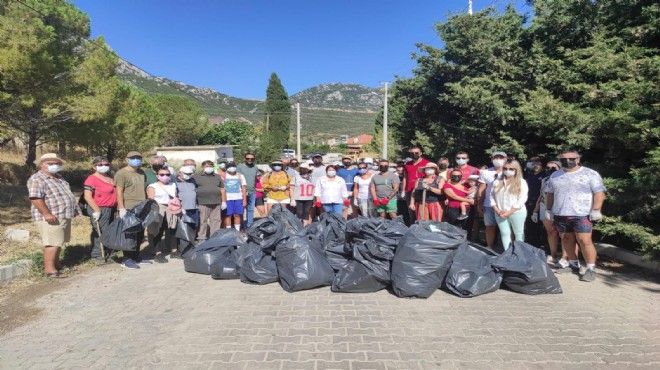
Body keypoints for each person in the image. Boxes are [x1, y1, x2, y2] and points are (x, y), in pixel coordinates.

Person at [545, 149, 606, 282]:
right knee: (566, 239)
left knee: (584, 241)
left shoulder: (589, 174)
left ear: (578, 159)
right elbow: (550, 193)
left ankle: (590, 268)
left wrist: (596, 209)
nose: (568, 161)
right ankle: (573, 264)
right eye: (564, 159)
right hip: (561, 213)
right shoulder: (555, 175)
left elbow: (599, 193)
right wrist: (549, 209)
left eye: (572, 158)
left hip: (582, 214)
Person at [27, 153, 78, 278]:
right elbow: (36, 198)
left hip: (63, 214)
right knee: (52, 242)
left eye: (56, 163)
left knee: (59, 241)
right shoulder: (37, 179)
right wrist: (47, 213)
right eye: (50, 163)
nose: (54, 166)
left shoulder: (59, 177)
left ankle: (57, 264)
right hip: (51, 216)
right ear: (41, 165)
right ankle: (49, 269)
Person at [115, 151, 148, 269]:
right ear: (126, 159)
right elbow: (119, 191)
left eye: (138, 158)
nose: (136, 160)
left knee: (139, 233)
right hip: (129, 207)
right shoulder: (121, 173)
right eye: (133, 158)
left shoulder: (141, 172)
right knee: (129, 234)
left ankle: (136, 256)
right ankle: (126, 259)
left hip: (141, 206)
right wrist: (121, 208)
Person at [83, 156, 117, 262]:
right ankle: (97, 254)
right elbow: (87, 196)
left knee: (110, 230)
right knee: (101, 231)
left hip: (112, 208)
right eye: (100, 165)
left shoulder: (110, 177)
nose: (104, 166)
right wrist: (97, 210)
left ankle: (109, 252)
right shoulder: (91, 179)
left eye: (106, 164)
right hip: (99, 208)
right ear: (94, 167)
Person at [490, 161, 528, 250]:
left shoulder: (521, 182)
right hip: (500, 212)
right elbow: (492, 196)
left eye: (511, 169)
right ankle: (507, 254)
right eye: (505, 168)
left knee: (518, 234)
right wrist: (497, 210)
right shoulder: (497, 181)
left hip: (516, 212)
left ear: (516, 170)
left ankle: (519, 254)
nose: (508, 171)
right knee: (504, 233)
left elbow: (522, 199)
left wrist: (509, 212)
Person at [146, 167, 179, 263]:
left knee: (172, 229)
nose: (165, 176)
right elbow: (150, 199)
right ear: (157, 176)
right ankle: (158, 253)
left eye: (167, 174)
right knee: (157, 231)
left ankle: (174, 251)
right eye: (162, 174)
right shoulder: (152, 186)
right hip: (158, 208)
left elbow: (175, 196)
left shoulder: (173, 184)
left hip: (171, 208)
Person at [532, 161, 562, 263]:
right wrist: (535, 210)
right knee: (550, 232)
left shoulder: (564, 178)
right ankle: (553, 255)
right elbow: (541, 195)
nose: (550, 170)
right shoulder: (545, 179)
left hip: (560, 207)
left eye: (553, 168)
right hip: (545, 206)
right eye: (548, 168)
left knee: (564, 234)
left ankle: (567, 258)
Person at [477, 151, 507, 248]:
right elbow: (482, 189)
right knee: (490, 226)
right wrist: (480, 204)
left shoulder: (510, 171)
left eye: (501, 158)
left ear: (505, 159)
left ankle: (507, 248)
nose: (498, 160)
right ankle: (490, 247)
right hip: (488, 204)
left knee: (505, 227)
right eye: (496, 158)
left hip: (504, 204)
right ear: (492, 159)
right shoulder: (485, 172)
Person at [196, 160, 225, 242]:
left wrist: (224, 201)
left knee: (216, 221)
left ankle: (214, 238)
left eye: (210, 166)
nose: (209, 168)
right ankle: (201, 238)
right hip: (203, 202)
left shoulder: (217, 176)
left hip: (216, 202)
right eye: (206, 166)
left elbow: (222, 188)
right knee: (203, 221)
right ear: (202, 167)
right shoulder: (196, 176)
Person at [174, 166, 198, 258]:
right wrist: (180, 207)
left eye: (190, 174)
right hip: (183, 209)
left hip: (194, 208)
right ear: (180, 173)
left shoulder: (192, 181)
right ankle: (182, 249)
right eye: (186, 174)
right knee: (183, 230)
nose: (189, 176)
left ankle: (192, 246)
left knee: (193, 227)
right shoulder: (175, 183)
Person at [524, 156, 548, 247]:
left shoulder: (544, 176)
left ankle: (537, 244)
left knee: (537, 226)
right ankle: (529, 243)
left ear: (540, 164)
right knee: (529, 224)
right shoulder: (531, 175)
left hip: (537, 203)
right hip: (528, 201)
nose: (532, 164)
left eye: (535, 162)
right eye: (531, 162)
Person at [404, 146, 429, 224]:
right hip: (409, 190)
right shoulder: (407, 164)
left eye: (416, 153)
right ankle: (413, 229)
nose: (414, 154)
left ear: (421, 153)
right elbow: (405, 177)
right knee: (411, 212)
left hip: (421, 190)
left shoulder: (426, 163)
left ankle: (422, 228)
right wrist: (403, 190)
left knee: (422, 211)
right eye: (412, 153)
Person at [224, 162, 247, 231]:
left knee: (237, 215)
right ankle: (228, 230)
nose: (231, 168)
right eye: (229, 166)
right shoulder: (224, 176)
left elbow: (244, 188)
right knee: (228, 215)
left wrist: (244, 200)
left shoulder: (240, 176)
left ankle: (237, 231)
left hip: (238, 198)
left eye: (233, 166)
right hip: (227, 198)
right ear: (227, 168)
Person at [236, 153, 257, 228]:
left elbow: (255, 179)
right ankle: (241, 226)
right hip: (242, 192)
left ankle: (250, 226)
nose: (250, 160)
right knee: (241, 210)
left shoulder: (255, 167)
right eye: (248, 158)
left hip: (252, 191)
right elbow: (237, 179)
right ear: (245, 158)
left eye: (252, 159)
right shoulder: (239, 167)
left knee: (251, 209)